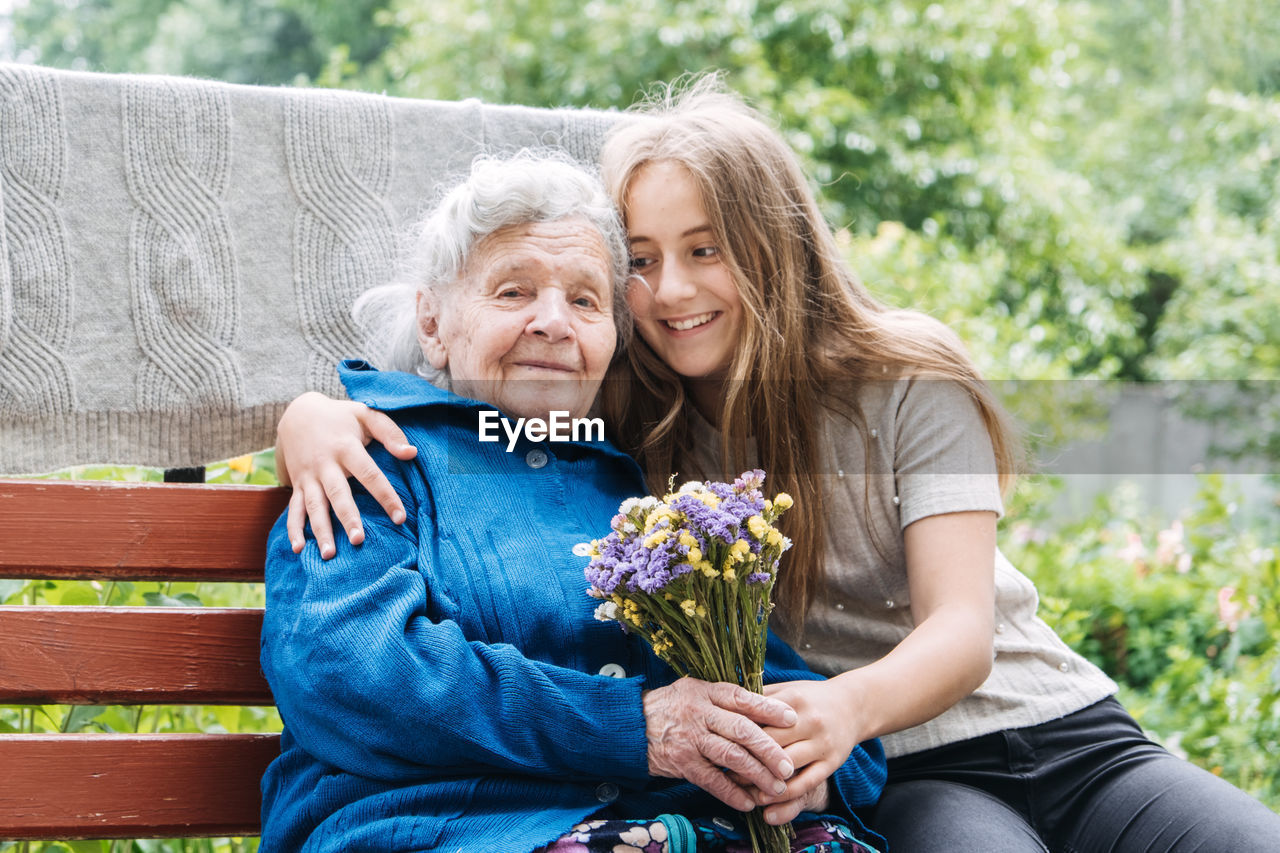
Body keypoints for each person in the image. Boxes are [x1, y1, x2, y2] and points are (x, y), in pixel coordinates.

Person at [272, 81, 1280, 851]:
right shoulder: (561, 437)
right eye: (645, 263)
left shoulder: (838, 393)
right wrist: (319, 412)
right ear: (436, 316)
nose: (666, 293)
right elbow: (380, 620)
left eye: (587, 296)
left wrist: (807, 735)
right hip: (896, 776)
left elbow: (940, 636)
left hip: (1035, 726)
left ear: (769, 248)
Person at [259, 152, 887, 853]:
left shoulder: (634, 495)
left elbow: (768, 671)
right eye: (513, 292)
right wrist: (634, 728)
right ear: (433, 324)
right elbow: (350, 676)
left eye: (586, 300)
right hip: (440, 830)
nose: (554, 322)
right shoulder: (371, 459)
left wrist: (811, 762)